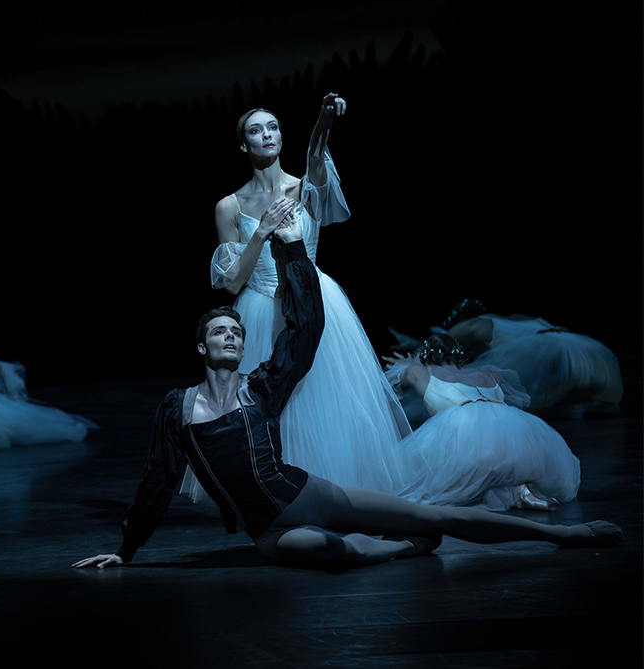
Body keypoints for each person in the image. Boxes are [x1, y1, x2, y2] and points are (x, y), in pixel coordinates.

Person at [74, 214, 622, 570]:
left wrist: (293, 254)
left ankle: (566, 539)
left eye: (237, 332)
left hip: (307, 493)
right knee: (332, 551)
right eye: (221, 331)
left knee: (433, 517)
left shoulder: (261, 388)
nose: (233, 336)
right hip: (268, 531)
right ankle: (405, 549)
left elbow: (307, 331)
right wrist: (126, 548)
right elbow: (159, 479)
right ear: (201, 347)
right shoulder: (177, 408)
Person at [205, 94, 413, 495]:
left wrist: (323, 118)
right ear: (243, 145)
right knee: (274, 406)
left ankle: (339, 493)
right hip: (260, 308)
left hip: (314, 302)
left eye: (273, 127)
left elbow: (317, 151)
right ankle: (284, 493)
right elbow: (231, 283)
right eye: (255, 130)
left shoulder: (304, 188)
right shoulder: (228, 206)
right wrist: (262, 230)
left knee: (324, 399)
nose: (267, 134)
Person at [383, 334, 580, 511]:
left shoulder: (419, 372)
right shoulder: (490, 374)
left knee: (430, 486)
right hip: (511, 431)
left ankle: (511, 491)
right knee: (491, 461)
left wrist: (409, 363)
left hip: (464, 433)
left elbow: (388, 385)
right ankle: (519, 489)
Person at [391, 300, 623, 416]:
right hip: (590, 352)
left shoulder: (477, 325)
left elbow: (448, 340)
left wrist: (417, 356)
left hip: (552, 352)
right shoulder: (517, 320)